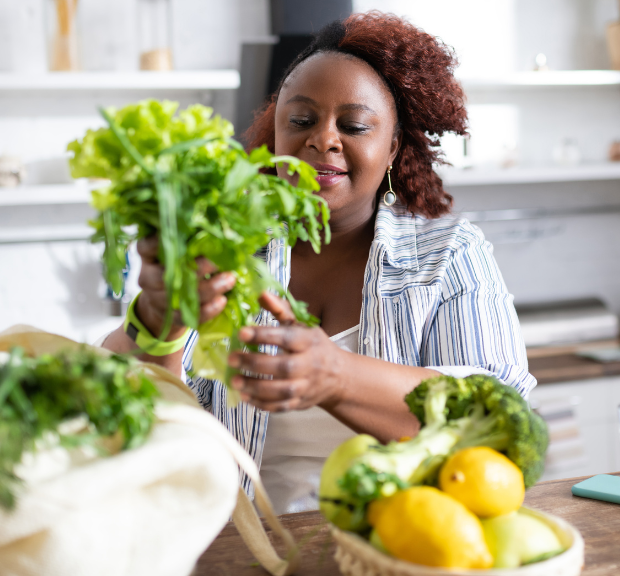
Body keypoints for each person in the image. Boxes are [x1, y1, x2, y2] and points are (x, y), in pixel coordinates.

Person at [102, 12, 536, 514]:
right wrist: (160, 320)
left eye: (353, 125)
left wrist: (335, 374)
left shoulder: (448, 254)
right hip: (237, 551)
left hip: (399, 547)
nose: (323, 140)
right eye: (302, 121)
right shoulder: (227, 247)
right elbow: (122, 421)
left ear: (393, 147)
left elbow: (500, 419)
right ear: (276, 137)